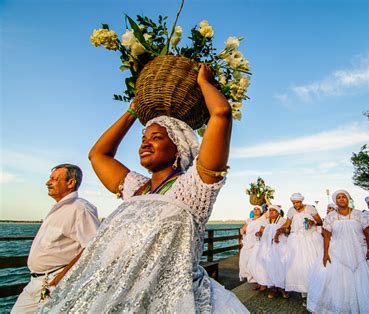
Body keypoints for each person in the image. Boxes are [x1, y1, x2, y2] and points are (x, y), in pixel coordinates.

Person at [40, 65, 248, 313]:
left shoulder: (194, 186)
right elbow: (98, 155)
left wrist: (204, 82)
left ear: (178, 148)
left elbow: (221, 113)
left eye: (157, 137)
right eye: (143, 138)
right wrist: (133, 110)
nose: (145, 143)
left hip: (172, 300)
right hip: (122, 298)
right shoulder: (136, 189)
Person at [11, 164, 100, 314]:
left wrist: (61, 278)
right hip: (35, 284)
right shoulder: (59, 209)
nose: (48, 182)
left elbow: (96, 246)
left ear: (70, 183)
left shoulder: (80, 209)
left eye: (53, 179)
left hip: (53, 284)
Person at [306, 190, 369, 313]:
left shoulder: (359, 214)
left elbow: (368, 233)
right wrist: (325, 254)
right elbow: (327, 236)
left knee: (364, 283)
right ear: (335, 201)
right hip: (337, 252)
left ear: (348, 199)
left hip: (359, 252)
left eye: (344, 197)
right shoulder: (331, 217)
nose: (342, 199)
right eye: (339, 197)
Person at [275, 193, 323, 304]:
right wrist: (278, 231)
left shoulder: (310, 208)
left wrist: (313, 222)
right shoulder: (291, 211)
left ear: (301, 201)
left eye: (298, 202)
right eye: (294, 203)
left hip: (310, 239)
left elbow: (320, 221)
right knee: (300, 266)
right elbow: (287, 224)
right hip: (296, 241)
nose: (296, 205)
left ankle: (316, 290)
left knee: (312, 264)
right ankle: (305, 294)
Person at [254, 204, 290, 299]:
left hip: (280, 246)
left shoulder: (283, 220)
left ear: (278, 212)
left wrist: (282, 231)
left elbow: (288, 231)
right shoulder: (266, 221)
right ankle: (273, 288)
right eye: (270, 210)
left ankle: (283, 288)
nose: (271, 212)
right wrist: (258, 233)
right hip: (268, 247)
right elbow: (261, 231)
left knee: (281, 265)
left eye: (274, 210)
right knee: (270, 265)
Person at [239, 205, 265, 284]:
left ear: (261, 211)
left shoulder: (263, 219)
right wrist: (242, 235)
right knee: (246, 259)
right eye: (254, 209)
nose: (256, 210)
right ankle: (250, 276)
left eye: (258, 209)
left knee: (255, 260)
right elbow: (243, 229)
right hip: (248, 240)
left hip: (257, 240)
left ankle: (258, 278)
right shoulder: (249, 220)